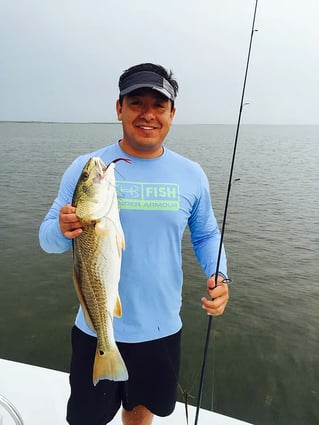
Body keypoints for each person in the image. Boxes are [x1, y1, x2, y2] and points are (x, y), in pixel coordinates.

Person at [39, 63, 230, 425]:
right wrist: (62, 230)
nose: (148, 114)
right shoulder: (87, 166)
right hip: (94, 327)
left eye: (159, 105)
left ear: (172, 113)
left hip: (160, 329)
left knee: (140, 410)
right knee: (87, 418)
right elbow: (48, 241)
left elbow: (206, 234)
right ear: (119, 108)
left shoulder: (191, 174)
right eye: (136, 102)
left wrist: (220, 275)